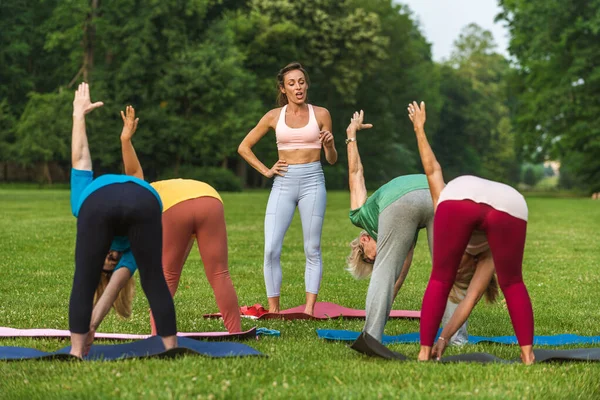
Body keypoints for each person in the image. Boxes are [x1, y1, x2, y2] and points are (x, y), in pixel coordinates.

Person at [407, 101, 535, 364]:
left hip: (463, 196)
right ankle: (527, 355)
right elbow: (468, 301)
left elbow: (433, 170)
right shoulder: (488, 258)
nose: (459, 273)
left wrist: (420, 130)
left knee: (440, 279)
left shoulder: (445, 201)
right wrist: (419, 128)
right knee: (513, 282)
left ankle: (423, 353)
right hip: (510, 202)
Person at [69, 83, 177, 358]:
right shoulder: (130, 252)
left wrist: (78, 116)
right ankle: (169, 351)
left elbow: (81, 157)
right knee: (153, 280)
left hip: (101, 201)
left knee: (84, 278)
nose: (113, 254)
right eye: (113, 260)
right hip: (143, 199)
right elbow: (136, 175)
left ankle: (77, 352)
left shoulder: (84, 200)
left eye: (109, 258)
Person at [345, 110, 466, 343]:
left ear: (364, 240)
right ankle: (458, 340)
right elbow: (398, 278)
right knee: (449, 269)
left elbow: (356, 172)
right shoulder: (403, 237)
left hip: (404, 198)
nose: (374, 260)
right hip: (440, 192)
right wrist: (387, 302)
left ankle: (370, 337)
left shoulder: (360, 216)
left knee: (384, 271)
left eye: (369, 259)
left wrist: (351, 136)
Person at [119, 106, 241, 334]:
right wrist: (125, 139)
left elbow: (134, 173)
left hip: (175, 206)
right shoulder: (147, 192)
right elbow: (135, 173)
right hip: (209, 196)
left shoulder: (142, 200)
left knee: (167, 275)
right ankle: (236, 331)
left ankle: (158, 333)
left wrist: (125, 140)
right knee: (219, 273)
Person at [238, 62, 337, 315]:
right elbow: (244, 147)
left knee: (312, 248)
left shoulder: (322, 114)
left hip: (313, 181)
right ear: (283, 89)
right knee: (271, 248)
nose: (298, 87)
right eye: (292, 83)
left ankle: (309, 309)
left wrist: (329, 145)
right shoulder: (273, 116)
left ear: (306, 85)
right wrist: (266, 171)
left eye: (301, 82)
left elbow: (332, 159)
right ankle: (274, 310)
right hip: (283, 182)